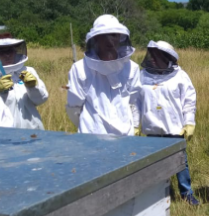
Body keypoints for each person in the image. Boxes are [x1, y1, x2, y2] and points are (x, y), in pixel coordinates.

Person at [133, 40, 199, 205]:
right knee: (154, 165)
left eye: (156, 56)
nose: (152, 59)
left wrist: (189, 123)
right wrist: (134, 125)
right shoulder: (142, 76)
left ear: (166, 57)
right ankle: (160, 194)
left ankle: (186, 193)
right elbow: (135, 103)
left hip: (174, 129)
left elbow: (189, 101)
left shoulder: (180, 76)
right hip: (151, 129)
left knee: (180, 163)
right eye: (151, 56)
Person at [65, 14, 140, 135]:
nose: (110, 40)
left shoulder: (132, 68)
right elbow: (74, 107)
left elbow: (133, 102)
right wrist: (91, 127)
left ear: (120, 37)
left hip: (125, 139)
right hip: (91, 139)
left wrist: (135, 126)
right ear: (96, 38)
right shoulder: (79, 68)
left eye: (114, 35)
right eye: (104, 35)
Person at [0, 33, 48, 130]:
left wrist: (33, 87)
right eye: (2, 52)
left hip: (33, 132)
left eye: (10, 50)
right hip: (4, 136)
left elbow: (41, 100)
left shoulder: (28, 71)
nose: (7, 55)